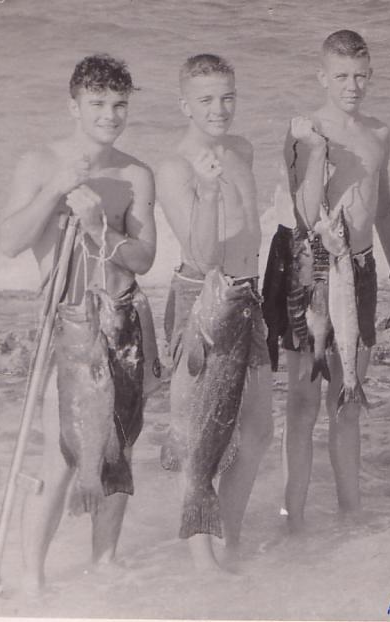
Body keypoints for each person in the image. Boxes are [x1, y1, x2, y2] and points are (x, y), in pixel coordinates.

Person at [0, 54, 157, 594]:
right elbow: (9, 242)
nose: (110, 115)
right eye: (98, 104)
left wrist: (98, 228)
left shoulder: (137, 173)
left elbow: (144, 259)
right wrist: (54, 190)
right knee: (63, 454)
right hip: (65, 327)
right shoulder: (40, 161)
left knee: (118, 448)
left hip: (122, 324)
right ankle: (31, 579)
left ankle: (105, 564)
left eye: (119, 104)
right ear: (73, 106)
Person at [269, 29, 390, 533]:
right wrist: (314, 149)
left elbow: (383, 208)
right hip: (314, 270)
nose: (353, 86)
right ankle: (291, 518)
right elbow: (303, 214)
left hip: (360, 270)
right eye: (342, 76)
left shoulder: (381, 132)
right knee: (302, 403)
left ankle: (351, 513)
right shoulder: (303, 130)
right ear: (322, 76)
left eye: (361, 76)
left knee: (349, 398)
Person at [156, 54, 273, 570]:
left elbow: (251, 232)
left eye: (227, 96)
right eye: (205, 99)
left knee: (257, 432)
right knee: (195, 431)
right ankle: (202, 562)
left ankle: (229, 539)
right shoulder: (175, 166)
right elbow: (202, 257)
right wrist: (205, 192)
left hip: (248, 297)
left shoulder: (243, 148)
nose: (219, 108)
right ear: (185, 104)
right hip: (202, 299)